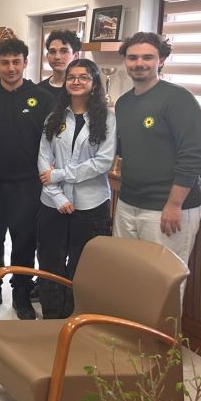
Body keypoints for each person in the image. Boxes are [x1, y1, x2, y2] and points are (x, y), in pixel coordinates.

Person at [0, 39, 53, 320]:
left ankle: (21, 294)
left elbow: (51, 143)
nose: (11, 68)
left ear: (25, 63)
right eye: (5, 62)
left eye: (16, 62)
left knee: (24, 243)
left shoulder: (43, 98)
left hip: (28, 185)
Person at [113, 32, 201, 265]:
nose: (139, 63)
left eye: (147, 57)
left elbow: (193, 155)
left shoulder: (178, 99)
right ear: (125, 61)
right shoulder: (123, 103)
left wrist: (174, 204)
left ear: (161, 60)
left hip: (166, 208)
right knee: (127, 273)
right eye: (132, 57)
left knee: (164, 278)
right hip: (128, 203)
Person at [37, 58, 116, 318]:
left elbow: (102, 162)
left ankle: (75, 319)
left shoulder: (108, 119)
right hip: (52, 205)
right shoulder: (54, 117)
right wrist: (57, 196)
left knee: (83, 265)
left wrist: (60, 175)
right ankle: (52, 316)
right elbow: (43, 159)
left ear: (95, 83)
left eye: (83, 77)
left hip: (91, 204)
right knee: (50, 261)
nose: (76, 81)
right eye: (71, 77)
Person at [39, 30, 81, 98]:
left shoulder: (82, 90)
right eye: (52, 51)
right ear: (47, 56)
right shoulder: (39, 89)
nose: (57, 57)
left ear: (75, 56)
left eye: (64, 52)